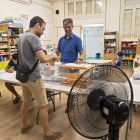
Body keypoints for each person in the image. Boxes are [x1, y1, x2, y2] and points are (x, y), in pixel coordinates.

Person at [18, 16, 62, 140]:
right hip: (34, 77)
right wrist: (53, 56)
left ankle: (24, 126)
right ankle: (48, 134)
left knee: (26, 102)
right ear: (37, 25)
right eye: (42, 29)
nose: (42, 32)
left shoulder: (21, 37)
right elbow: (43, 58)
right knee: (43, 105)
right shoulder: (33, 38)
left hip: (23, 77)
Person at [55, 18, 85, 113]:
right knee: (63, 87)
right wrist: (52, 57)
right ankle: (72, 99)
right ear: (63, 27)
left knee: (71, 88)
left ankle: (70, 105)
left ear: (72, 27)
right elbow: (57, 52)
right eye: (65, 27)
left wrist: (80, 59)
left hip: (72, 69)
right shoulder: (61, 40)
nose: (67, 29)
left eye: (69, 27)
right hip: (62, 68)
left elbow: (82, 53)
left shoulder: (77, 39)